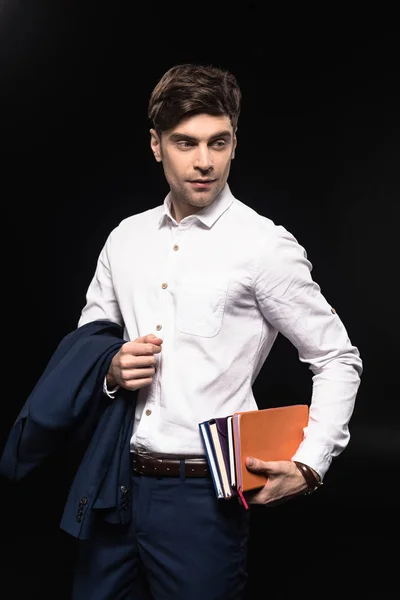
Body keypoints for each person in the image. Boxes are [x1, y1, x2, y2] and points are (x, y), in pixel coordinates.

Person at [1, 63, 362, 600]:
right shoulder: (125, 239)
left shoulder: (263, 246)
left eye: (219, 142)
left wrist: (311, 464)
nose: (203, 162)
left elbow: (337, 358)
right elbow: (88, 344)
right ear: (155, 145)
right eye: (185, 143)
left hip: (203, 501)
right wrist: (111, 369)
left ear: (235, 143)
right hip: (115, 483)